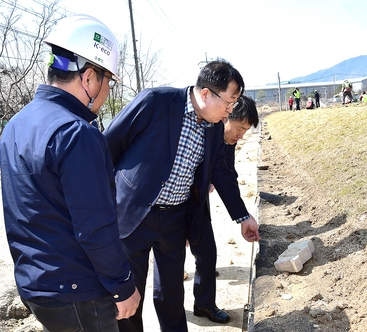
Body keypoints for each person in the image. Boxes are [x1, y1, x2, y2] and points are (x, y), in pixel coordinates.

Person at [0, 14, 140, 332]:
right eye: (108, 82)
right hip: (77, 292)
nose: (106, 94)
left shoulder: (15, 126)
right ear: (90, 78)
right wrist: (122, 285)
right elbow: (94, 227)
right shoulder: (76, 133)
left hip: (37, 286)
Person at [103, 59, 260, 332]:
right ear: (206, 94)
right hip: (134, 215)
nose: (230, 110)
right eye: (229, 102)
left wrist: (243, 216)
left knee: (171, 295)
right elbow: (108, 146)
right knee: (130, 298)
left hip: (174, 219)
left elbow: (220, 173)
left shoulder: (213, 127)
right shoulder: (156, 102)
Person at [189, 95, 259, 324]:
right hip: (173, 200)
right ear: (226, 117)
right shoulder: (204, 131)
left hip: (197, 201)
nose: (241, 135)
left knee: (207, 252)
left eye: (245, 131)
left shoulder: (228, 141)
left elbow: (227, 175)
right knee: (169, 259)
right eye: (240, 128)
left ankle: (204, 304)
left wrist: (243, 216)